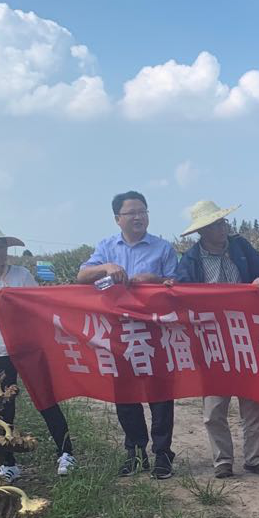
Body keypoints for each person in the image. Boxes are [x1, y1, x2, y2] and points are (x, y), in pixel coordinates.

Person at [0, 225, 75, 479]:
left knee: (46, 399)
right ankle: (8, 462)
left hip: (27, 348)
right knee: (3, 407)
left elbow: (39, 306)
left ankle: (66, 452)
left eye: (1, 247)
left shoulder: (22, 275)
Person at [173, 199, 259, 481]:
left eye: (223, 222)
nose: (223, 228)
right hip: (211, 339)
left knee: (253, 402)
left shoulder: (240, 247)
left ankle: (256, 458)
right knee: (214, 407)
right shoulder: (191, 260)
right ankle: (222, 460)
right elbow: (180, 294)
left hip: (245, 334)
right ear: (202, 231)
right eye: (216, 225)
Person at [77, 191, 179, 478]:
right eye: (131, 212)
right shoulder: (107, 247)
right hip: (119, 332)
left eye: (142, 211)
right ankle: (135, 451)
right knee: (125, 393)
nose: (138, 217)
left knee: (161, 393)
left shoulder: (163, 248)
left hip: (154, 331)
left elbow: (176, 286)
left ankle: (162, 453)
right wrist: (106, 268)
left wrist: (156, 280)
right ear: (117, 219)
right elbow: (81, 276)